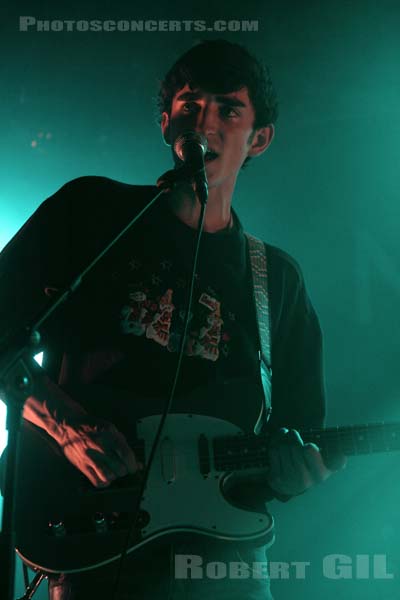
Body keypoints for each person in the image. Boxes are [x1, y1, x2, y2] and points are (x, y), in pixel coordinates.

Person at [0, 39, 342, 599]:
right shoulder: (92, 213)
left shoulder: (275, 278)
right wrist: (64, 425)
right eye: (190, 105)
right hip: (92, 534)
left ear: (260, 138)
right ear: (166, 123)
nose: (205, 122)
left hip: (223, 560)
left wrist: (296, 474)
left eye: (229, 109)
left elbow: (303, 432)